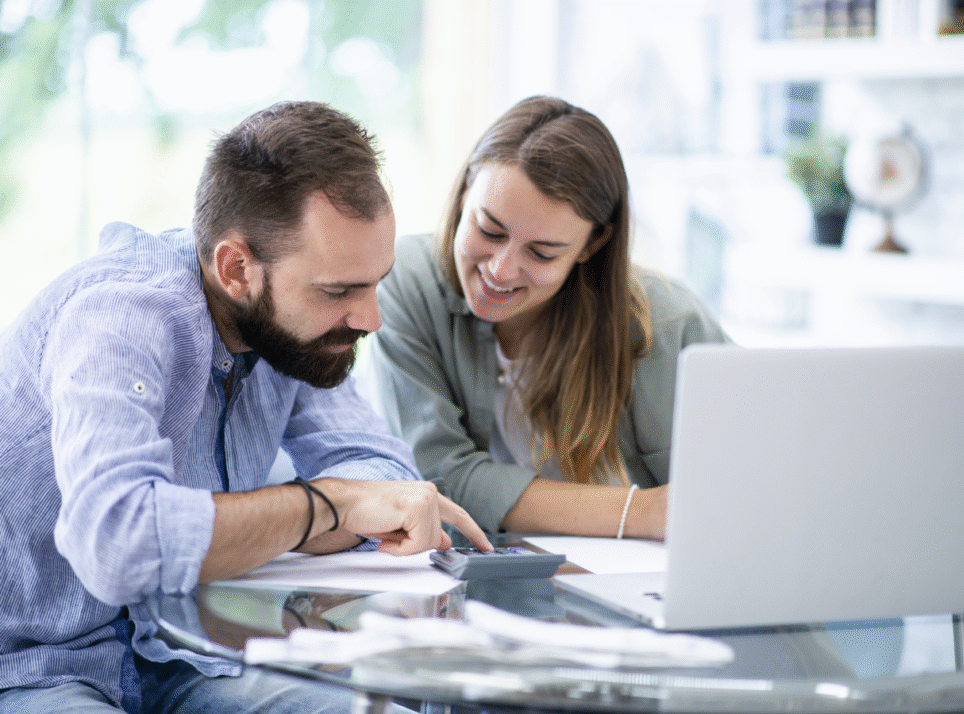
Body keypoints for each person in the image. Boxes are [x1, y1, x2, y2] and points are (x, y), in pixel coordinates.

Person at [0, 101, 490, 714]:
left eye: (375, 283)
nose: (371, 319)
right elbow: (119, 545)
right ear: (236, 269)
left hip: (182, 652)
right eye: (339, 290)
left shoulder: (295, 332)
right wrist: (327, 506)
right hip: (33, 665)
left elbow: (383, 479)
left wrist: (315, 513)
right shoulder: (119, 319)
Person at [374, 95, 730, 540]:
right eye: (489, 229)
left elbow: (744, 482)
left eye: (541, 253)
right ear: (465, 192)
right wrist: (641, 512)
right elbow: (436, 481)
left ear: (592, 245)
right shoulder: (405, 281)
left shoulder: (671, 324)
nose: (501, 270)